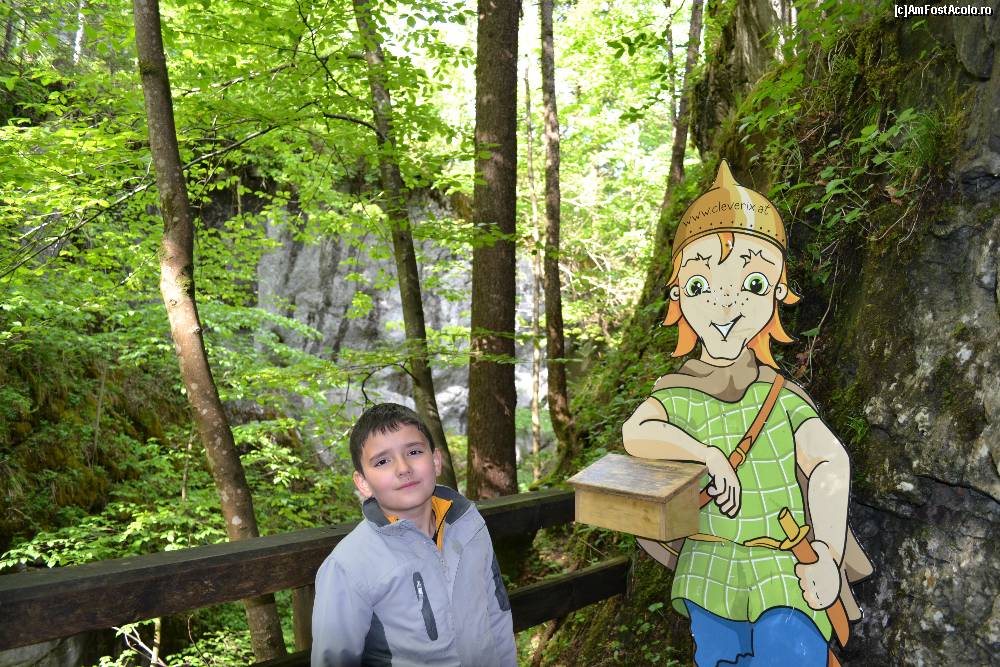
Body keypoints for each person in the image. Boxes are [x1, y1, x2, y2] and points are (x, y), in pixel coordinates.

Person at [622, 160, 871, 666]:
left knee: (790, 652)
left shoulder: (781, 398)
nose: (725, 303)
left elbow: (829, 461)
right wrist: (705, 454)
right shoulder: (677, 396)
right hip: (707, 571)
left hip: (784, 571)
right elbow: (637, 431)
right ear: (678, 295)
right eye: (701, 285)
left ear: (778, 291)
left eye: (752, 283)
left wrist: (826, 552)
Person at [311, 403, 517, 667]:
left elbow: (497, 615)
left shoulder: (469, 526)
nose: (403, 468)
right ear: (363, 482)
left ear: (436, 460)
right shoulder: (348, 565)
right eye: (382, 461)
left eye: (414, 452)